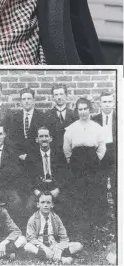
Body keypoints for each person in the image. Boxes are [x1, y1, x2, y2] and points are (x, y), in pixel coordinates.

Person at [63, 97, 107, 236]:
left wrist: (94, 161)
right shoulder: (71, 128)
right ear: (77, 111)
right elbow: (67, 149)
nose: (82, 112)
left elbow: (102, 147)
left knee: (93, 194)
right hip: (76, 164)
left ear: (90, 109)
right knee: (78, 194)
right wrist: (72, 161)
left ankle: (94, 229)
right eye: (80, 109)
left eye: (85, 109)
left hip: (92, 164)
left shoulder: (97, 127)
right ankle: (80, 230)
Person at [23, 191, 83, 264]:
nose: (45, 205)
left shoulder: (56, 218)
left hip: (54, 245)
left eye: (48, 202)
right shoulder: (33, 219)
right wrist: (44, 248)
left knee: (78, 246)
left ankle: (50, 256)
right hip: (40, 246)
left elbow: (64, 237)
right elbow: (31, 238)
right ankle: (61, 258)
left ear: (52, 205)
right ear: (38, 205)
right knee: (27, 246)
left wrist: (59, 249)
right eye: (42, 202)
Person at [24, 126, 70, 215]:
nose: (44, 139)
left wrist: (58, 189)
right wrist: (36, 191)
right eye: (41, 136)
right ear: (37, 139)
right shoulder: (31, 156)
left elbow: (65, 175)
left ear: (50, 138)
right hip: (38, 190)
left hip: (55, 189)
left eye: (46, 136)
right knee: (29, 206)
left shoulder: (59, 154)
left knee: (66, 205)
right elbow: (26, 177)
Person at [7, 88, 50, 159]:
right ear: (21, 101)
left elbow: (44, 140)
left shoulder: (42, 117)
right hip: (19, 158)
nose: (26, 101)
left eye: (29, 98)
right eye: (24, 99)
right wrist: (18, 154)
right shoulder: (14, 118)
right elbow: (11, 140)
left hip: (37, 158)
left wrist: (31, 156)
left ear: (33, 100)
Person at [92, 91, 116, 214]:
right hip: (100, 156)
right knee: (99, 186)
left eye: (109, 101)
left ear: (114, 103)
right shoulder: (94, 120)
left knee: (117, 185)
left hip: (116, 156)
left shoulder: (120, 118)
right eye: (104, 102)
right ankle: (101, 217)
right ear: (100, 104)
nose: (107, 104)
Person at [45, 84, 77, 153]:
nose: (59, 97)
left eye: (61, 94)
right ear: (53, 97)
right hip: (53, 154)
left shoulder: (74, 115)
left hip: (71, 154)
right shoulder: (47, 115)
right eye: (56, 95)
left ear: (66, 95)